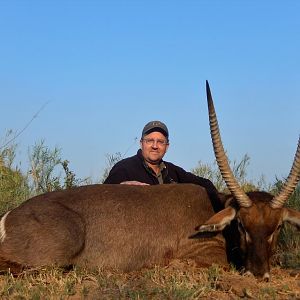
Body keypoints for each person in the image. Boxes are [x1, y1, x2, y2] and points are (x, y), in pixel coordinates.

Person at [104, 121, 222, 211]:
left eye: (160, 142)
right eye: (150, 140)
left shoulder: (173, 171)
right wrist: (119, 188)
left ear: (167, 147)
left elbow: (207, 185)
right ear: (141, 143)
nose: (155, 146)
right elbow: (102, 197)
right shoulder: (124, 168)